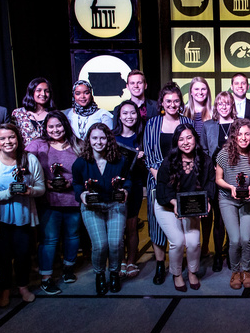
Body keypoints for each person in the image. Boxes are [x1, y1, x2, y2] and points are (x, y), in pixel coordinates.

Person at [0, 123, 45, 306]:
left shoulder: (29, 159)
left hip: (23, 215)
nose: (8, 142)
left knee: (23, 254)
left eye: (11, 137)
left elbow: (41, 188)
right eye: (2, 138)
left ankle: (23, 287)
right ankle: (5, 290)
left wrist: (30, 191)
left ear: (18, 138)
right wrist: (7, 193)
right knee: (2, 257)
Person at [26, 110, 82, 295]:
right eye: (51, 126)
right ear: (45, 128)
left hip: (72, 200)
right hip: (49, 202)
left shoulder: (77, 145)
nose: (55, 129)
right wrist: (43, 182)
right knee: (49, 240)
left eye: (59, 125)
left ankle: (68, 269)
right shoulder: (37, 145)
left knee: (73, 237)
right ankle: (46, 278)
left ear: (65, 125)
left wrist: (71, 182)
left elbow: (85, 172)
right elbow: (23, 167)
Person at [72, 123, 132, 295]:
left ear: (109, 140)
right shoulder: (80, 163)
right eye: (95, 138)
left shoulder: (120, 160)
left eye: (103, 138)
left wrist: (125, 191)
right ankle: (99, 274)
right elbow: (76, 184)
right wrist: (82, 195)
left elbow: (127, 180)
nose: (99, 142)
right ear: (89, 140)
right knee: (100, 244)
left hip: (115, 205)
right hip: (92, 207)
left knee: (115, 243)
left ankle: (114, 273)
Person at [143, 82, 194, 285]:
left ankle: (180, 265)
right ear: (161, 103)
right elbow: (149, 155)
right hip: (158, 180)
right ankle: (159, 263)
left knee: (182, 225)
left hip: (184, 181)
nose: (173, 104)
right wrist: (161, 179)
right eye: (168, 101)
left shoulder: (187, 121)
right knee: (157, 224)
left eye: (176, 100)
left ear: (180, 102)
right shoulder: (152, 124)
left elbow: (193, 149)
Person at [155, 123, 215, 291]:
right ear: (176, 142)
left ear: (195, 138)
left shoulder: (205, 160)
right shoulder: (169, 162)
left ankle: (192, 272)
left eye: (189, 137)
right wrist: (174, 203)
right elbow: (162, 188)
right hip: (167, 205)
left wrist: (207, 201)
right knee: (178, 241)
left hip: (191, 206)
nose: (186, 142)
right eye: (181, 139)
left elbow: (210, 182)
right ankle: (177, 274)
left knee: (194, 242)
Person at [215, 118, 250, 289]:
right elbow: (218, 179)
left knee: (246, 238)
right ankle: (235, 271)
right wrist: (231, 187)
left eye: (247, 134)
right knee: (234, 240)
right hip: (228, 199)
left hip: (249, 199)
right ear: (234, 136)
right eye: (239, 134)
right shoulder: (223, 154)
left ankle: (246, 270)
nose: (243, 138)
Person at [201, 91, 235, 271]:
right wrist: (213, 168)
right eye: (220, 103)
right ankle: (217, 255)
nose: (223, 106)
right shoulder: (208, 126)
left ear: (232, 106)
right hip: (215, 178)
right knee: (218, 219)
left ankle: (231, 252)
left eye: (227, 103)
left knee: (233, 217)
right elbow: (204, 151)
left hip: (236, 178)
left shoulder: (239, 124)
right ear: (216, 106)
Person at [113, 100, 146, 279]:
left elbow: (146, 168)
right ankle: (120, 261)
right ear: (119, 116)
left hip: (134, 186)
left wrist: (141, 158)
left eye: (132, 113)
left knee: (132, 226)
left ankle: (132, 260)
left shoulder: (142, 138)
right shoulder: (111, 137)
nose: (129, 116)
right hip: (114, 188)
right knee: (117, 228)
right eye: (125, 113)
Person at [10, 77, 57, 146]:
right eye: (39, 90)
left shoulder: (54, 114)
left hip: (49, 154)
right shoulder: (18, 113)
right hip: (26, 154)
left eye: (46, 91)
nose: (43, 94)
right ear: (32, 92)